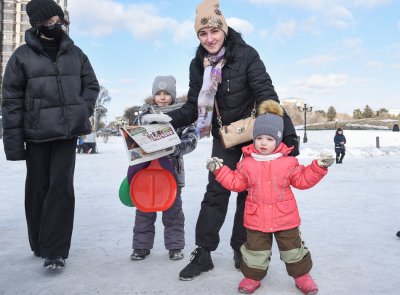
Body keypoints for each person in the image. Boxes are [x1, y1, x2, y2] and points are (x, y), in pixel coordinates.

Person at [147, 0, 299, 280]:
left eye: (214, 32)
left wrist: (287, 134)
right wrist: (170, 119)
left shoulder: (246, 55)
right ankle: (203, 252)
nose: (209, 38)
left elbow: (267, 93)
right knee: (216, 191)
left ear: (224, 30)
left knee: (248, 192)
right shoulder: (198, 64)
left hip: (254, 132)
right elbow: (194, 106)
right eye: (202, 34)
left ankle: (241, 248)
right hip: (224, 135)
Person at [1, 0, 99, 269]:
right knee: (37, 190)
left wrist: (82, 108)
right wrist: (13, 144)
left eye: (58, 20)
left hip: (66, 135)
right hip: (36, 135)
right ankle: (38, 243)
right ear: (37, 24)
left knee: (61, 189)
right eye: (48, 22)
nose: (55, 25)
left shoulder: (75, 53)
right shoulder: (21, 56)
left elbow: (91, 84)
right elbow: (11, 101)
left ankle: (55, 251)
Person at [206, 100, 334, 294]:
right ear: (254, 139)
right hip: (256, 218)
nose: (263, 142)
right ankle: (252, 277)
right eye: (259, 138)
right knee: (255, 251)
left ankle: (302, 276)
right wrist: (220, 170)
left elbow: (302, 180)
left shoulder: (289, 162)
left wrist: (319, 167)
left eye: (269, 139)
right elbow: (236, 183)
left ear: (278, 140)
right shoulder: (247, 164)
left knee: (293, 250)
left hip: (285, 218)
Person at [131, 76, 198, 261]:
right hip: (146, 172)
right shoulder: (143, 115)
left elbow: (192, 139)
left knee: (173, 212)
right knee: (144, 211)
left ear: (173, 95)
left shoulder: (182, 114)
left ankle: (175, 246)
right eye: (158, 93)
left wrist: (175, 148)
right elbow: (133, 139)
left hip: (171, 174)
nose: (162, 97)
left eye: (166, 93)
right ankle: (141, 247)